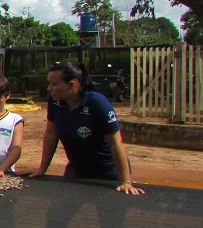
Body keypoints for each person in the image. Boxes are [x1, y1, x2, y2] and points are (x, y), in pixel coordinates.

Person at [20, 62, 143, 194]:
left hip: (108, 171)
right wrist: (42, 168)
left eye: (54, 84)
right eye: (49, 83)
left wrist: (126, 181)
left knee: (110, 212)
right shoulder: (55, 102)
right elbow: (51, 134)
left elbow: (115, 143)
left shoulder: (98, 103)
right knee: (58, 211)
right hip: (77, 169)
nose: (49, 88)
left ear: (72, 84)